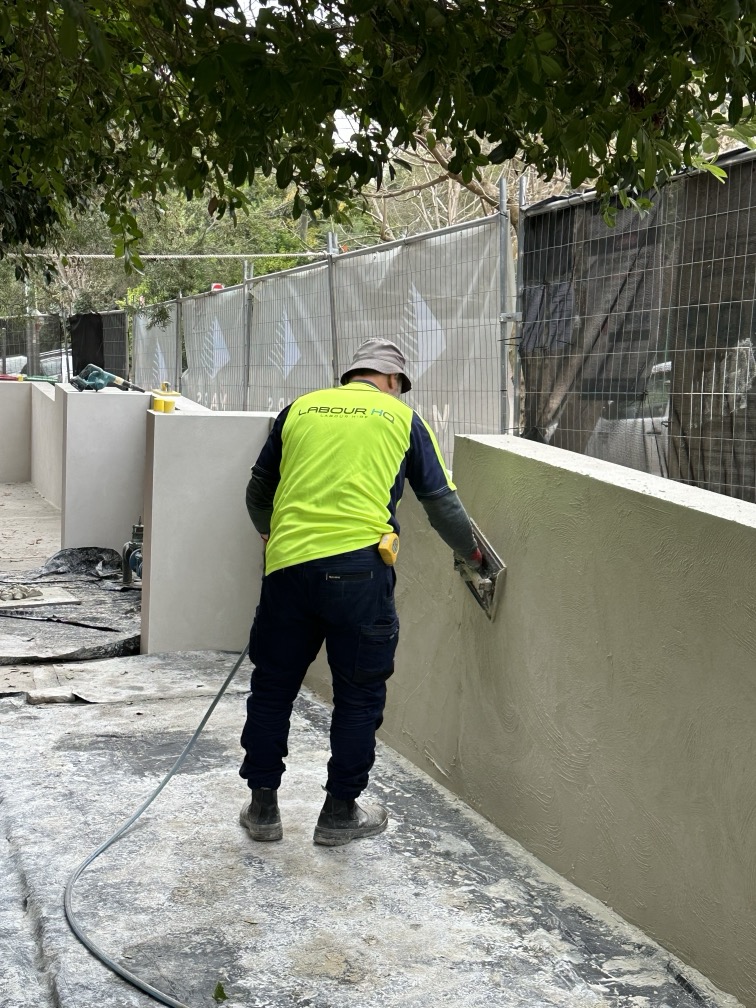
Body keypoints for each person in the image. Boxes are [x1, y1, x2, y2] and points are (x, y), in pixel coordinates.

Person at [239, 339, 482, 847]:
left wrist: (271, 533)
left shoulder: (298, 410)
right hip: (358, 574)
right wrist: (474, 555)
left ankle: (263, 810)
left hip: (287, 569)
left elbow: (258, 492)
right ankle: (338, 814)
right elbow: (442, 504)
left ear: (349, 376)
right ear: (393, 381)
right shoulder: (401, 419)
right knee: (358, 694)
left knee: (273, 686)